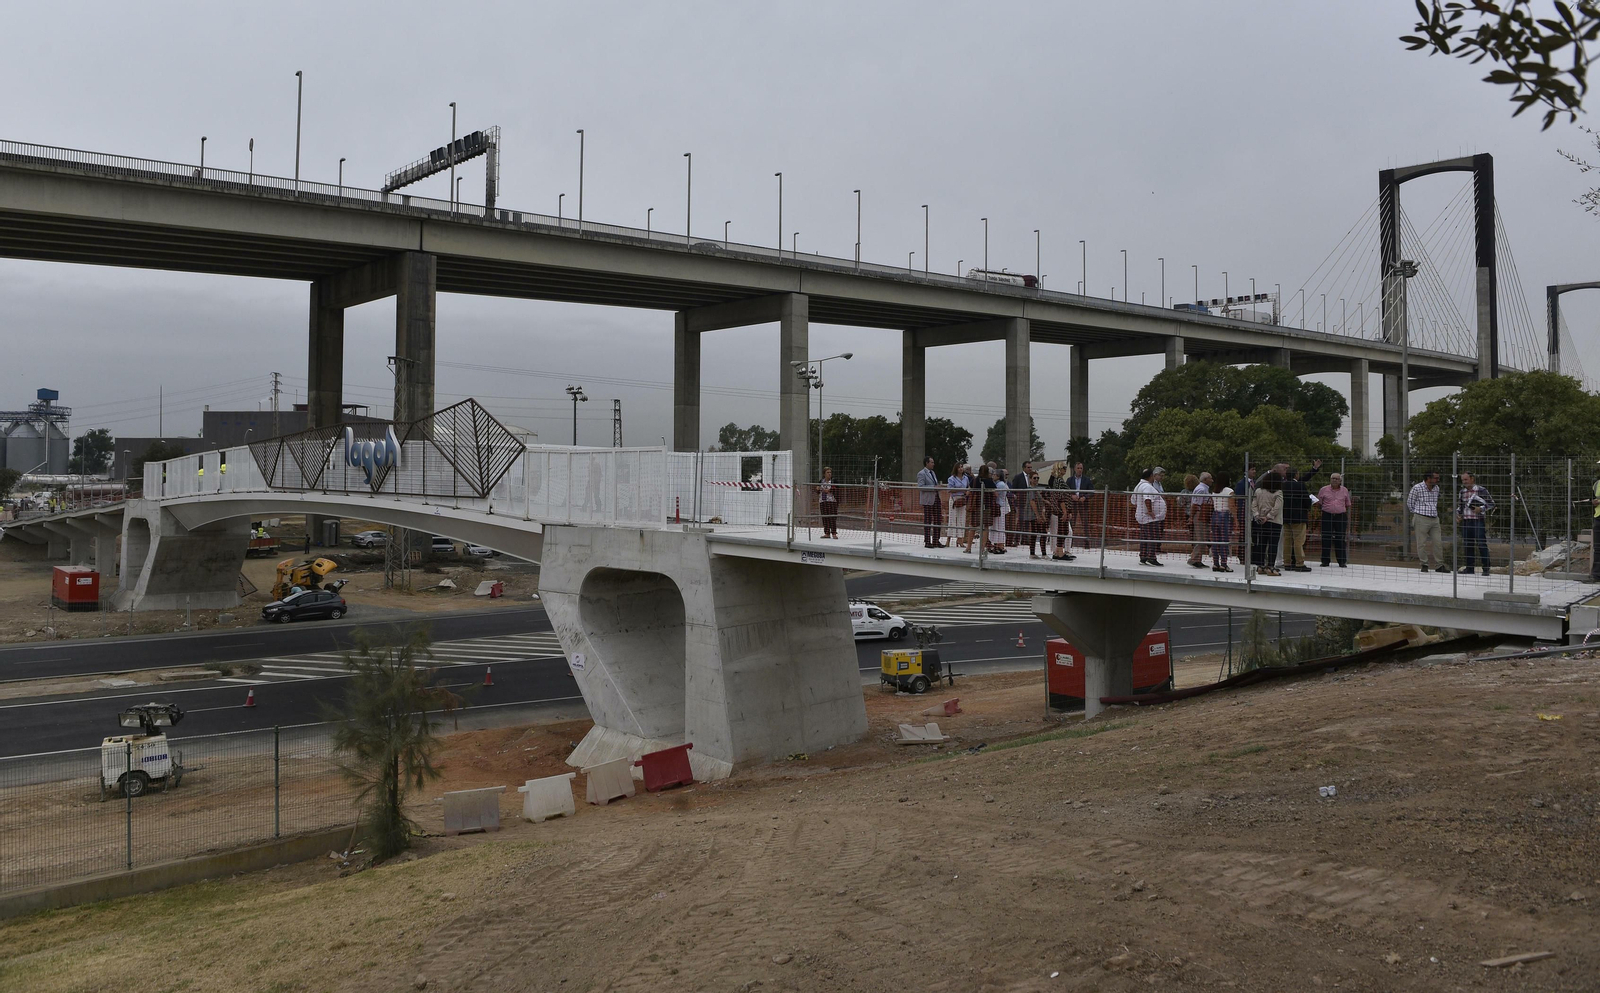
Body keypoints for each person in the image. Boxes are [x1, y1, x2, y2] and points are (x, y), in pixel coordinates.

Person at [1279, 459, 1324, 572]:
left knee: (1287, 540)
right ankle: (1299, 563)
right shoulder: (1300, 485)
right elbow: (1305, 499)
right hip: (1298, 517)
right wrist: (1309, 505)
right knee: (1299, 541)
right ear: (1296, 474)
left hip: (1285, 516)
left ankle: (1287, 563)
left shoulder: (1282, 485)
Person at [1406, 471, 1448, 572]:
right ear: (1428, 478)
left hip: (1434, 518)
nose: (1438, 480)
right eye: (1436, 478)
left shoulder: (1436, 488)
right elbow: (1410, 503)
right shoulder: (1417, 488)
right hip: (1421, 517)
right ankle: (1424, 564)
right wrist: (1417, 513)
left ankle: (1439, 565)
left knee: (1438, 542)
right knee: (1421, 543)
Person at [1456, 471, 1496, 576]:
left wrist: (1481, 508)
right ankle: (1469, 568)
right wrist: (1458, 514)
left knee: (1481, 544)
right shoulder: (1462, 492)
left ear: (1472, 479)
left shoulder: (1481, 490)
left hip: (1478, 520)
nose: (1464, 482)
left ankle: (1486, 568)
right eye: (1463, 480)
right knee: (1468, 545)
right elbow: (1461, 506)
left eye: (1466, 479)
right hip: (1466, 521)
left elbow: (1491, 503)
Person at [1316, 472, 1353, 567]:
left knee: (1340, 538)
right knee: (1326, 538)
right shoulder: (1323, 490)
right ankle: (1325, 561)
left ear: (1340, 481)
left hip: (1340, 516)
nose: (1334, 480)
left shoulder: (1344, 490)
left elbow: (1348, 504)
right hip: (1327, 516)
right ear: (1330, 479)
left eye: (1337, 479)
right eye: (1333, 478)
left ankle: (1342, 561)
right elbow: (1319, 503)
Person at [1134, 467, 1168, 565]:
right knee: (1152, 537)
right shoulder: (1147, 486)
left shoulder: (1138, 485)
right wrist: (1150, 511)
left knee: (1144, 537)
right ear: (1150, 476)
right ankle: (1151, 557)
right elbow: (1147, 498)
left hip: (1143, 516)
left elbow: (1133, 500)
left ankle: (1143, 556)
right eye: (1153, 476)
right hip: (1149, 518)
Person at [1252, 476, 1283, 576]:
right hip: (1275, 521)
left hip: (1261, 520)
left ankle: (1260, 566)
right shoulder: (1278, 492)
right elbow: (1277, 507)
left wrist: (1257, 515)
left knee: (1262, 542)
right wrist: (1268, 516)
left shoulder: (1258, 491)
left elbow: (1254, 505)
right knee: (1273, 544)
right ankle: (1270, 566)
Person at [1064, 461, 1095, 549]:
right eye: (1078, 468)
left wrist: (1085, 497)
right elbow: (1065, 492)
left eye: (1081, 468)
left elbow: (1092, 492)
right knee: (1071, 524)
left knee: (1085, 523)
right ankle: (1070, 544)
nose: (1079, 470)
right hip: (1072, 504)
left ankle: (1087, 545)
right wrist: (1071, 496)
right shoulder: (1069, 480)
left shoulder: (1087, 480)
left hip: (1083, 504)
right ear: (1074, 469)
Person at [916, 456, 944, 548]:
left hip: (936, 499)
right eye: (931, 462)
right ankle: (927, 541)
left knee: (938, 520)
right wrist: (933, 488)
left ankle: (936, 540)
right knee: (928, 521)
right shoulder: (921, 473)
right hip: (928, 500)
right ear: (927, 463)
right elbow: (920, 486)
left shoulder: (933, 473)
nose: (933, 464)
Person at [1187, 472, 1214, 568]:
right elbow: (1195, 504)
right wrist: (1192, 517)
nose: (1212, 480)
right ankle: (1194, 559)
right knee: (1201, 538)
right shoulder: (1201, 489)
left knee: (1203, 537)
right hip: (1200, 515)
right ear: (1205, 479)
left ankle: (1197, 559)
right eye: (1210, 478)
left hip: (1203, 515)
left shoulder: (1204, 489)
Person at [946, 462, 971, 552]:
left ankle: (960, 540)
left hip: (963, 499)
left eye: (962, 467)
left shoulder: (966, 478)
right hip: (954, 499)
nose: (961, 469)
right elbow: (950, 489)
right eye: (959, 467)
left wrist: (966, 491)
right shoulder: (951, 478)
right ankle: (948, 539)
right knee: (952, 519)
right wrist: (962, 490)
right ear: (956, 468)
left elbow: (968, 488)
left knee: (961, 519)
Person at [1006, 461, 1032, 547]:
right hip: (1021, 502)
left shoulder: (1031, 477)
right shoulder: (1018, 477)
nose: (1030, 469)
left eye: (1030, 467)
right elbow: (1014, 489)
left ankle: (1025, 539)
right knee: (1020, 521)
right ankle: (1016, 540)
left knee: (1027, 521)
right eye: (1028, 467)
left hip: (1029, 502)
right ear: (1024, 468)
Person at [1211, 486, 1235, 572]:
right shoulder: (1229, 491)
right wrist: (1235, 519)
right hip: (1225, 515)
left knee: (1216, 540)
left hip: (1215, 514)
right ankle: (1223, 564)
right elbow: (1231, 505)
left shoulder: (1214, 491)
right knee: (1225, 540)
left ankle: (1215, 563)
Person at [992, 467, 1011, 552]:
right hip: (999, 506)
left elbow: (996, 495)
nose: (993, 476)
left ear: (998, 476)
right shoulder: (999, 483)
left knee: (999, 526)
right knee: (997, 526)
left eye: (994, 475)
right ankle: (997, 544)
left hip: (1000, 506)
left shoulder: (1000, 484)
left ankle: (1000, 544)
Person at [818, 467, 839, 538]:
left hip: (832, 501)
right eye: (828, 472)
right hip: (823, 501)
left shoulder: (834, 481)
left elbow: (837, 488)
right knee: (825, 516)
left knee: (832, 517)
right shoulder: (821, 481)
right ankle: (827, 532)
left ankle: (834, 533)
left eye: (830, 472)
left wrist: (829, 490)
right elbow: (818, 490)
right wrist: (818, 489)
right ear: (824, 474)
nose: (829, 474)